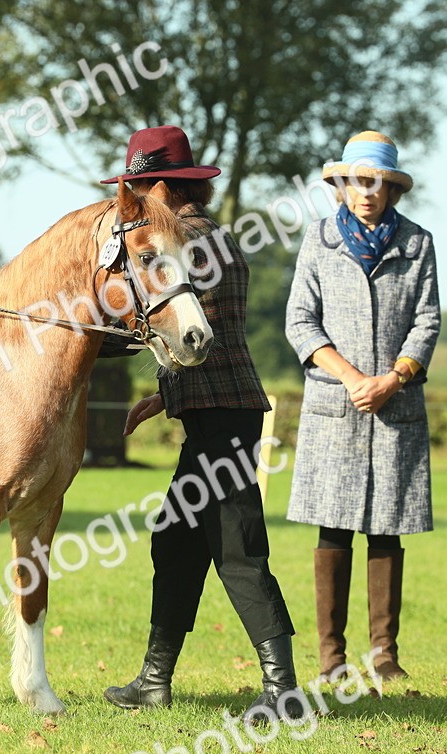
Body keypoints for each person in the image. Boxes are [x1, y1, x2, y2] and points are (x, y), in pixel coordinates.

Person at [105, 125, 301, 720]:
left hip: (220, 415)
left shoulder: (182, 239)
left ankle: (283, 694)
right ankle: (154, 679)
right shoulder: (211, 233)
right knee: (175, 538)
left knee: (238, 548)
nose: (137, 204)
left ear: (161, 186)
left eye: (140, 190)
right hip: (223, 407)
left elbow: (190, 333)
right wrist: (164, 396)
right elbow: (207, 336)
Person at [284, 131, 440, 684]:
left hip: (395, 408)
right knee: (333, 528)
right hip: (335, 405)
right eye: (356, 181)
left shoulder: (418, 243)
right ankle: (331, 658)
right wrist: (353, 378)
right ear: (342, 186)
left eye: (377, 182)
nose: (366, 191)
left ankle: (384, 654)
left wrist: (394, 379)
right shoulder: (318, 241)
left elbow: (428, 321)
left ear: (390, 189)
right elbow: (300, 321)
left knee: (386, 529)